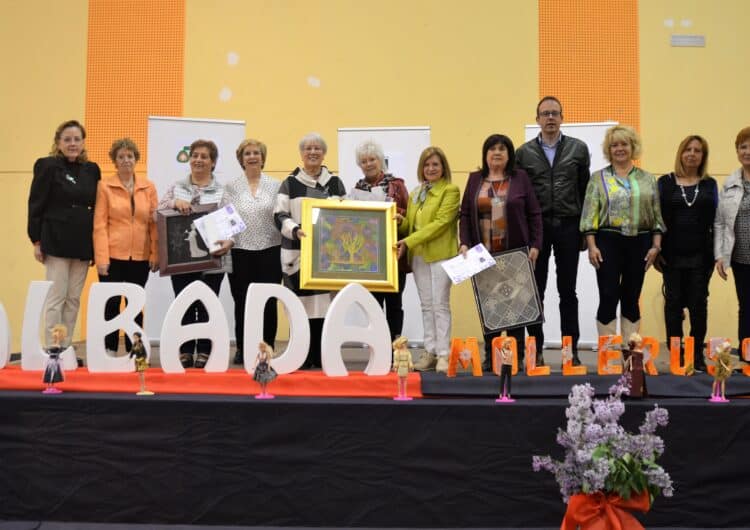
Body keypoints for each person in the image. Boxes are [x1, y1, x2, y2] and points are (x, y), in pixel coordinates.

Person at [516, 97, 590, 366]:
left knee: (568, 291)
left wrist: (585, 230)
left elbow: (585, 191)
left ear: (562, 117)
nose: (550, 118)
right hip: (537, 230)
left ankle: (571, 353)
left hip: (569, 226)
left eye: (555, 113)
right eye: (545, 114)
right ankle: (535, 352)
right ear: (537, 119)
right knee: (535, 292)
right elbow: (520, 195)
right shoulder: (523, 153)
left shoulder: (578, 149)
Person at [459, 134, 542, 370]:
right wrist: (464, 242)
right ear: (485, 154)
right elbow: (465, 214)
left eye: (502, 149)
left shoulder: (520, 178)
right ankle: (490, 357)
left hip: (514, 255)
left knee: (515, 306)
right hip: (483, 254)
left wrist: (536, 245)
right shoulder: (476, 179)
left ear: (509, 155)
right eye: (492, 149)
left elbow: (534, 214)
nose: (497, 153)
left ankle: (514, 358)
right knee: (491, 306)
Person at [580, 125, 665, 341]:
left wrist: (656, 246)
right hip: (607, 242)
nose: (619, 148)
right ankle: (607, 355)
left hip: (641, 242)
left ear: (632, 147)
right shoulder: (597, 179)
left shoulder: (648, 179)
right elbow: (589, 215)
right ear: (609, 149)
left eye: (624, 144)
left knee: (631, 296)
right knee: (608, 295)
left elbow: (657, 217)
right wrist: (592, 246)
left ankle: (631, 356)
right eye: (614, 145)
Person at [157, 139, 233, 369]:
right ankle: (186, 349)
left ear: (213, 162)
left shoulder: (222, 191)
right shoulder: (175, 187)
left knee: (208, 304)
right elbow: (156, 214)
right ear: (189, 160)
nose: (199, 159)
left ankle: (206, 350)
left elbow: (231, 225)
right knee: (185, 304)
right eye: (195, 155)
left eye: (204, 156)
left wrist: (228, 242)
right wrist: (173, 202)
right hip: (180, 260)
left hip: (214, 260)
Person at [27, 120, 101, 354]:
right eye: (67, 139)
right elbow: (36, 204)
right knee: (57, 296)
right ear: (58, 143)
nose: (72, 144)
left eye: (77, 139)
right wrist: (36, 240)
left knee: (73, 298)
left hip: (82, 242)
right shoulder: (47, 166)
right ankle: (53, 347)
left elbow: (96, 206)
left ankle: (66, 347)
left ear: (83, 142)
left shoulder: (92, 169)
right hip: (56, 240)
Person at [274, 133, 346, 369]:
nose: (312, 152)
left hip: (329, 257)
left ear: (324, 153)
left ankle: (322, 355)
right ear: (301, 154)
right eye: (308, 148)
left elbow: (347, 216)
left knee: (325, 307)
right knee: (300, 306)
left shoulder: (335, 183)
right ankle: (302, 356)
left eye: (317, 148)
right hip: (297, 254)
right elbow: (279, 214)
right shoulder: (290, 182)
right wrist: (296, 230)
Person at [396, 146, 460, 374]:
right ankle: (429, 351)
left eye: (435, 164)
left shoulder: (450, 191)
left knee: (440, 304)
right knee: (426, 305)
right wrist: (398, 219)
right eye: (426, 164)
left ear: (443, 167)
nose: (431, 168)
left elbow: (440, 224)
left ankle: (444, 353)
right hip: (419, 256)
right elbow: (411, 226)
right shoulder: (415, 193)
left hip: (442, 255)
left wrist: (409, 241)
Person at [657, 136, 717, 372]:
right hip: (670, 256)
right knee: (673, 306)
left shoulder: (710, 185)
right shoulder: (665, 182)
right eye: (688, 150)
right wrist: (657, 248)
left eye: (698, 151)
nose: (692, 154)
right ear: (681, 153)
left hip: (701, 257)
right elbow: (657, 218)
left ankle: (696, 355)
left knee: (698, 306)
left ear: (703, 156)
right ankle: (676, 354)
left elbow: (718, 221)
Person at [93, 138, 158, 356]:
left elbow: (153, 224)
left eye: (130, 156)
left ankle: (135, 350)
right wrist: (101, 258)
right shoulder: (104, 186)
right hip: (112, 255)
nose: (126, 160)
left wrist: (155, 253)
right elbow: (99, 225)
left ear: (136, 159)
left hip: (140, 257)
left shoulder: (148, 187)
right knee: (111, 304)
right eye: (121, 157)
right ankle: (109, 350)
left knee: (135, 305)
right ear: (114, 161)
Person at [224, 139, 282, 365]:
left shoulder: (276, 185)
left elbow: (282, 214)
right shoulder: (231, 186)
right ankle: (243, 347)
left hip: (270, 250)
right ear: (241, 159)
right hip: (239, 252)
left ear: (263, 157)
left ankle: (268, 346)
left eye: (256, 152)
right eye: (247, 153)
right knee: (242, 302)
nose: (252, 156)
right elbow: (226, 218)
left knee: (268, 302)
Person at [349, 140, 410, 340]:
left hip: (393, 253)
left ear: (380, 160)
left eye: (372, 159)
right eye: (364, 161)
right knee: (373, 304)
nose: (368, 164)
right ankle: (378, 345)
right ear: (360, 165)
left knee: (394, 303)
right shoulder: (357, 189)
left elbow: (410, 217)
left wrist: (392, 210)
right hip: (368, 257)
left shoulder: (397, 185)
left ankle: (395, 345)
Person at [715, 127, 750, 360]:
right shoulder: (730, 183)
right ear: (737, 151)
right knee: (746, 307)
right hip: (741, 258)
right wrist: (720, 255)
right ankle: (748, 356)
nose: (747, 151)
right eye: (743, 147)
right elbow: (720, 222)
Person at [43, 324, 67, 394]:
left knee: (52, 374)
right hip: (53, 362)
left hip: (54, 361)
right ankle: (49, 387)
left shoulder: (57, 345)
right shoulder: (56, 346)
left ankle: (51, 387)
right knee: (51, 374)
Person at [622, 332, 647, 398]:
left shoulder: (641, 351)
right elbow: (630, 360)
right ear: (634, 342)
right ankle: (632, 393)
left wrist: (644, 367)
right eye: (638, 342)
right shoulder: (631, 352)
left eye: (640, 342)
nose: (640, 344)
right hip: (633, 368)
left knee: (639, 381)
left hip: (640, 368)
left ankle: (639, 393)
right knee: (633, 381)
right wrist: (630, 367)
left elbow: (642, 360)